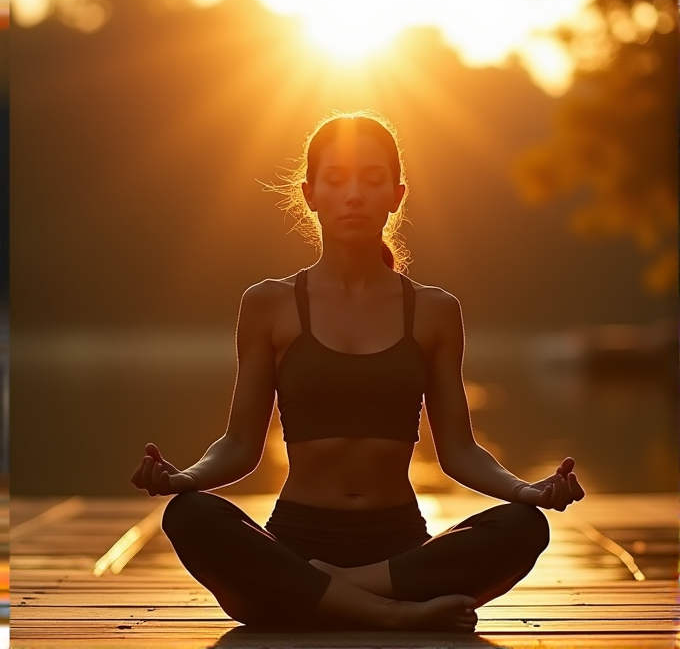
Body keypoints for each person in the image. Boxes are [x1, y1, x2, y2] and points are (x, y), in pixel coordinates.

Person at [130, 110, 585, 632]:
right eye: (337, 180)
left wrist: (527, 491)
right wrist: (184, 478)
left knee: (523, 528)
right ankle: (388, 612)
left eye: (372, 182)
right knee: (189, 515)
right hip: (298, 534)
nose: (354, 195)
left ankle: (317, 591)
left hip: (395, 545)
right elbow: (239, 445)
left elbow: (459, 451)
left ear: (396, 195)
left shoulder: (435, 310)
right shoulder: (270, 304)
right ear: (311, 194)